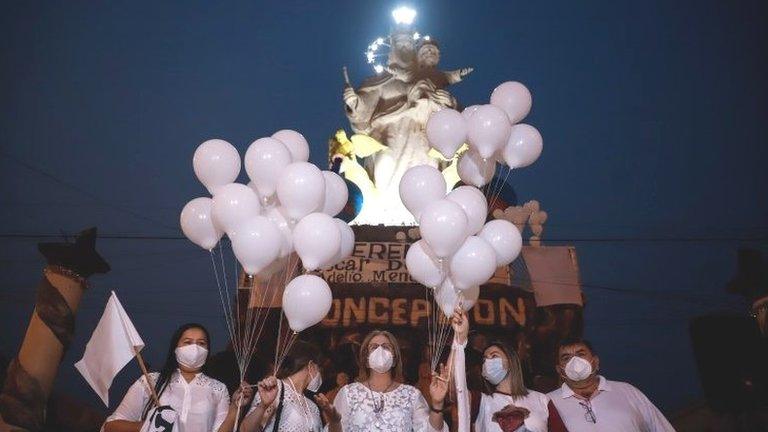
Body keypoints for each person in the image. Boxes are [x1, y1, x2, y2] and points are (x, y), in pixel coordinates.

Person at [103, 323, 252, 432]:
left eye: (201, 343)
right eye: (187, 342)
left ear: (208, 351)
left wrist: (234, 408)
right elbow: (111, 426)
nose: (195, 348)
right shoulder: (150, 381)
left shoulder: (218, 389)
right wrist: (147, 426)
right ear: (176, 348)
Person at [452, 308, 567, 432]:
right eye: (485, 359)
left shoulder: (542, 400)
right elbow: (454, 388)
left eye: (494, 356)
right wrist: (459, 340)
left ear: (511, 361)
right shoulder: (480, 401)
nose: (488, 362)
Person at [315, 329, 450, 432]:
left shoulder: (411, 395)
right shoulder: (348, 393)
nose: (380, 350)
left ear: (395, 359)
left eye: (386, 346)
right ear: (366, 360)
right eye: (374, 347)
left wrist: (438, 404)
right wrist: (334, 421)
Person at [547, 337, 674, 432]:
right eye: (566, 358)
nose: (575, 361)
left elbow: (661, 428)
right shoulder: (546, 403)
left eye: (580, 354)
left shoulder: (627, 391)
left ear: (595, 362)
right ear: (559, 369)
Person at [240, 340, 325, 432]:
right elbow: (245, 430)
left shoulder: (312, 406)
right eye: (319, 368)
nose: (320, 375)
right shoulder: (275, 389)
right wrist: (263, 406)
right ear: (311, 366)